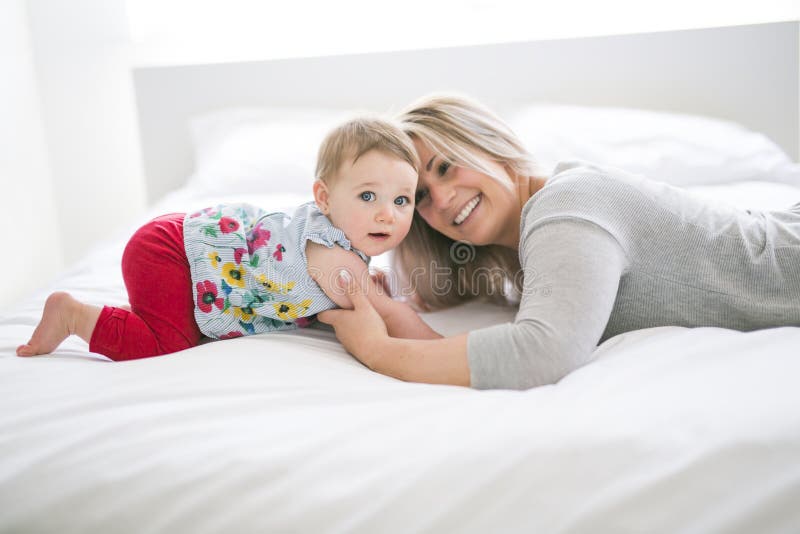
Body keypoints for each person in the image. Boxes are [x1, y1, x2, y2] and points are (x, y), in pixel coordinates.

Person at [317, 93, 800, 390]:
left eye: (446, 166)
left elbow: (541, 353)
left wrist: (378, 351)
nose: (441, 200)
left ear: (487, 145)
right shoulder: (534, 240)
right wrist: (396, 310)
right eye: (419, 197)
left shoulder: (567, 205)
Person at [17, 116, 440, 360]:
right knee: (167, 342)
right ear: (324, 199)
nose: (388, 213)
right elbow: (391, 316)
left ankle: (130, 312)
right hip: (170, 253)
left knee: (172, 318)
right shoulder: (335, 257)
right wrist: (448, 349)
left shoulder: (341, 246)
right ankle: (74, 316)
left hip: (177, 250)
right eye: (368, 195)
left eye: (402, 200)